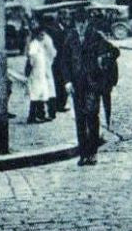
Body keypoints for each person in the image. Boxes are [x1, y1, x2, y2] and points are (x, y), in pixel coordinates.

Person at [63, 11, 117, 165]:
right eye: (77, 24)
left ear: (87, 23)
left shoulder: (96, 37)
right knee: (80, 119)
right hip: (76, 85)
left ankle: (92, 153)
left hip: (93, 84)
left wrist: (103, 59)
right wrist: (67, 81)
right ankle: (83, 153)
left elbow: (114, 52)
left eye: (82, 23)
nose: (79, 27)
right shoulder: (70, 38)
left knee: (92, 117)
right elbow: (64, 62)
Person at [24, 23, 57, 123]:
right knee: (35, 95)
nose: (43, 37)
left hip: (41, 73)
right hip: (35, 73)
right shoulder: (34, 45)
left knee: (40, 94)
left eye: (44, 35)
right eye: (41, 35)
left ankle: (39, 115)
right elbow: (31, 59)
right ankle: (32, 116)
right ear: (37, 35)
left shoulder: (40, 45)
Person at [45, 15, 70, 113]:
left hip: (59, 60)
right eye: (65, 18)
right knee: (58, 83)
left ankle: (58, 105)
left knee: (58, 83)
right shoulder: (55, 30)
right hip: (58, 60)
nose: (66, 20)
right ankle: (59, 105)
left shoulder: (58, 28)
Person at [97, 23, 120, 127]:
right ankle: (104, 119)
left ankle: (108, 118)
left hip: (106, 79)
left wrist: (106, 56)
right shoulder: (91, 47)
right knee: (102, 101)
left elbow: (116, 52)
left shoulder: (107, 45)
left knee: (106, 100)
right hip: (97, 79)